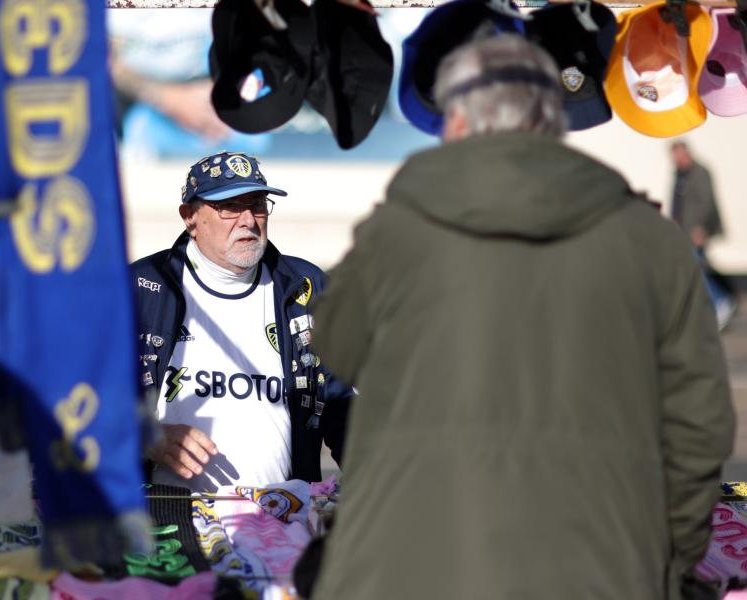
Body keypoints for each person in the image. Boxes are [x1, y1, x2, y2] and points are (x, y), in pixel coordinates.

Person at [310, 35, 734, 599]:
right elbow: (699, 425)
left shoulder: (399, 231)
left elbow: (334, 344)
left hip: (417, 560)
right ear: (554, 121)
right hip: (601, 562)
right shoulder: (651, 240)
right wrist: (669, 552)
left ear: (456, 123)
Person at [131, 151, 351, 493]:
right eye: (230, 206)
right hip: (167, 528)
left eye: (258, 204)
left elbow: (345, 412)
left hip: (283, 524)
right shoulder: (140, 288)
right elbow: (81, 402)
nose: (248, 219)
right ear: (189, 216)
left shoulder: (306, 286)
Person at [670, 140, 737, 330]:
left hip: (696, 231)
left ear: (687, 153)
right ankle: (725, 297)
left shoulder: (698, 173)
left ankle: (721, 301)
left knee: (696, 267)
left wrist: (701, 228)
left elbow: (706, 201)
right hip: (684, 230)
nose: (677, 158)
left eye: (680, 154)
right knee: (698, 266)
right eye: (675, 155)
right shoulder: (680, 174)